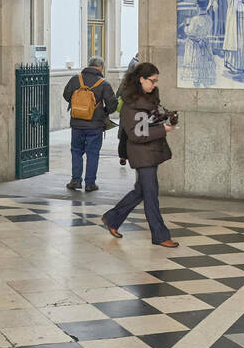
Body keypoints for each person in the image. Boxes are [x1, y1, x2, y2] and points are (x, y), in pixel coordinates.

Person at [101, 62, 178, 247]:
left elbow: (146, 123)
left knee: (141, 191)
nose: (155, 84)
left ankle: (112, 218)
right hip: (142, 154)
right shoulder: (132, 105)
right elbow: (137, 133)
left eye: (156, 81)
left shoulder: (146, 99)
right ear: (141, 79)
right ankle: (160, 235)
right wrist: (164, 129)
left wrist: (163, 119)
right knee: (151, 194)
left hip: (150, 151)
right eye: (152, 81)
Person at [62, 56, 117, 192]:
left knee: (76, 152)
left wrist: (77, 103)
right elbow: (112, 105)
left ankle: (75, 180)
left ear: (88, 65)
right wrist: (102, 111)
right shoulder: (103, 84)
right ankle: (90, 183)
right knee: (92, 153)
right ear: (100, 67)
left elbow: (66, 94)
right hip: (95, 125)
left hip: (77, 123)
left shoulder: (76, 79)